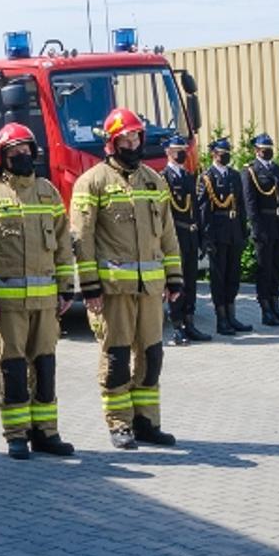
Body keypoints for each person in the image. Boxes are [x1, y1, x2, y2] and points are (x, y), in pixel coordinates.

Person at [0, 123, 79, 460]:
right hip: (7, 307)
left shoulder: (48, 192)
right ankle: (16, 435)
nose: (21, 155)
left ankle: (46, 433)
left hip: (45, 304)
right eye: (13, 151)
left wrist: (66, 288)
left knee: (45, 366)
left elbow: (62, 244)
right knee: (13, 368)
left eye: (25, 149)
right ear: (2, 156)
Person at [72, 109, 183, 449]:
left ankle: (147, 422)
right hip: (113, 291)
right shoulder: (92, 182)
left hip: (150, 289)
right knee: (117, 359)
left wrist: (174, 276)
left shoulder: (154, 180)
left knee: (152, 357)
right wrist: (89, 285)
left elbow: (168, 233)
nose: (133, 143)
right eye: (125, 138)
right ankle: (120, 425)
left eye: (136, 137)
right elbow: (82, 239)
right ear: (112, 142)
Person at [241, 134, 279, 327]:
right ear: (256, 150)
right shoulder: (250, 171)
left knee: (276, 268)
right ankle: (265, 308)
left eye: (270, 147)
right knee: (264, 269)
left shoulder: (278, 170)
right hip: (264, 225)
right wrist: (256, 228)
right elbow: (250, 203)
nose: (268, 151)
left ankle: (275, 304)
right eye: (264, 148)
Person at [161, 135, 212, 344]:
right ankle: (177, 326)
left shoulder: (188, 176)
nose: (182, 153)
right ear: (168, 152)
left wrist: (201, 239)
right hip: (176, 237)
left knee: (191, 282)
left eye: (183, 149)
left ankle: (190, 323)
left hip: (190, 235)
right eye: (177, 150)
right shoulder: (163, 179)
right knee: (177, 283)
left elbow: (196, 211)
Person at [200, 138, 252, 335]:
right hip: (217, 234)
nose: (226, 155)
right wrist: (207, 238)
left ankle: (232, 315)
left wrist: (243, 231)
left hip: (233, 233)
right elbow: (204, 210)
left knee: (233, 276)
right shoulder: (207, 177)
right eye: (222, 152)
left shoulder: (234, 175)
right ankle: (221, 319)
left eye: (228, 152)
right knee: (219, 277)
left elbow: (240, 207)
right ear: (214, 154)